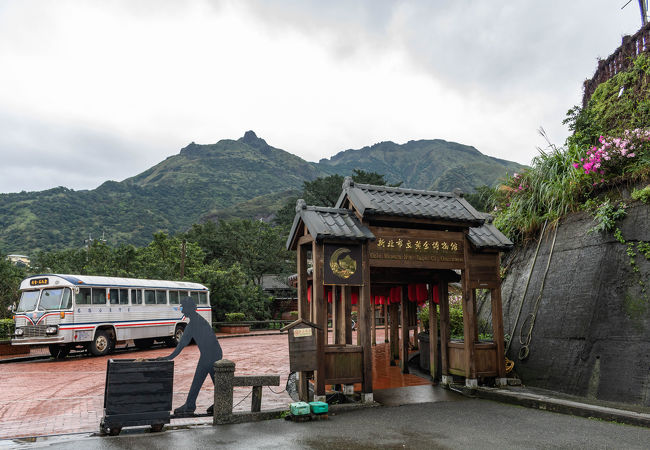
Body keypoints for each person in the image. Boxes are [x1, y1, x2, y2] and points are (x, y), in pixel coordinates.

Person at [159, 296, 222, 416]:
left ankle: (191, 405)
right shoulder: (197, 320)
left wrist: (167, 358)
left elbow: (181, 345)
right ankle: (192, 404)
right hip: (211, 353)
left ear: (189, 309)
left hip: (211, 354)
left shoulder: (194, 324)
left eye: (183, 308)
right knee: (209, 381)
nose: (182, 311)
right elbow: (182, 344)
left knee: (203, 380)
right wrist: (168, 357)